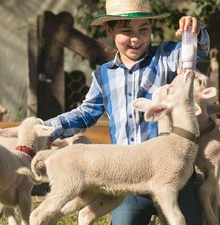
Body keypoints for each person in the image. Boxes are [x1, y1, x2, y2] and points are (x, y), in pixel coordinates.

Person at [45, 0, 210, 224]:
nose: (136, 38)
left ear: (151, 26)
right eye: (126, 31)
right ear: (109, 30)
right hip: (128, 178)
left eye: (144, 29)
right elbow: (86, 113)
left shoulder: (166, 57)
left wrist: (195, 31)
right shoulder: (103, 75)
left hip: (174, 175)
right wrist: (48, 129)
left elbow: (197, 52)